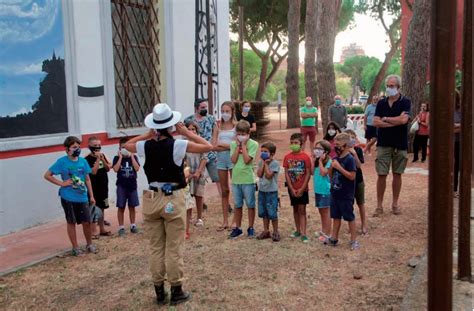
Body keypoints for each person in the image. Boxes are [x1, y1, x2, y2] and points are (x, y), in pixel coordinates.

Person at [124, 103, 212, 305]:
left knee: (156, 247)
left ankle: (159, 291)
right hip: (173, 197)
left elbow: (126, 145)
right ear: (172, 125)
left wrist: (147, 135)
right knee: (174, 246)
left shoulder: (144, 146)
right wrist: (185, 132)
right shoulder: (178, 144)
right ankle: (176, 289)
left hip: (152, 198)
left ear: (154, 125)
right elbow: (207, 146)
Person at [44, 136, 97, 256]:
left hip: (82, 196)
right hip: (68, 197)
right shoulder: (62, 162)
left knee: (86, 222)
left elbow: (87, 179)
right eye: (74, 147)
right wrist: (62, 183)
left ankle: (89, 244)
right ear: (67, 149)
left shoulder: (83, 161)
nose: (77, 149)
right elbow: (47, 175)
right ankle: (75, 247)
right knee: (71, 222)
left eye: (78, 147)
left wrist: (91, 195)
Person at [372, 74, 411, 216]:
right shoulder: (381, 103)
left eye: (392, 86)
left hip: (400, 144)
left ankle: (395, 204)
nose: (389, 88)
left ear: (398, 87)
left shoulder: (406, 101)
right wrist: (394, 122)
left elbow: (404, 120)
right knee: (381, 174)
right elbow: (375, 122)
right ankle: (379, 206)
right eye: (387, 86)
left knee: (397, 174)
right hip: (383, 143)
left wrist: (386, 119)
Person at [327, 133, 359, 250]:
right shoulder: (335, 159)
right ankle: (334, 238)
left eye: (338, 145)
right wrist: (331, 167)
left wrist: (339, 167)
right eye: (334, 144)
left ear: (345, 145)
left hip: (346, 194)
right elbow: (331, 176)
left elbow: (352, 176)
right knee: (336, 216)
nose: (335, 147)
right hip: (335, 193)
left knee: (349, 217)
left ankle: (354, 240)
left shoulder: (349, 159)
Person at [228, 120, 259, 239]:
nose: (240, 136)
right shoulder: (233, 144)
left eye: (243, 134)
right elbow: (234, 160)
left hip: (248, 179)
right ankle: (238, 228)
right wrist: (237, 147)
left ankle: (251, 227)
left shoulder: (253, 144)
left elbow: (247, 160)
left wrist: (244, 146)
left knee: (250, 204)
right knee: (237, 205)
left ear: (248, 134)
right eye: (238, 134)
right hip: (236, 179)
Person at [184, 98, 220, 196]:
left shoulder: (211, 118)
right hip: (196, 154)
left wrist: (213, 143)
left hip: (210, 154)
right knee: (197, 178)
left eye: (206, 107)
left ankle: (224, 200)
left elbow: (216, 130)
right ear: (196, 108)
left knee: (217, 178)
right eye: (202, 107)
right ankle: (201, 201)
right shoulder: (188, 120)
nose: (205, 109)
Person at [283, 133, 312, 243]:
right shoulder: (287, 157)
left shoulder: (305, 157)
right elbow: (286, 173)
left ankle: (304, 233)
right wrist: (291, 188)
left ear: (301, 144)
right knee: (295, 209)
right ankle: (298, 230)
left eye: (296, 143)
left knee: (302, 210)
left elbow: (308, 173)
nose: (293, 145)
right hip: (292, 189)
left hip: (302, 189)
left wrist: (302, 188)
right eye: (291, 143)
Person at [213, 102, 237, 231]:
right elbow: (214, 145)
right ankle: (225, 220)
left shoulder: (236, 126)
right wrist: (227, 145)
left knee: (235, 188)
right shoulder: (217, 126)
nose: (225, 113)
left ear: (232, 112)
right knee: (224, 190)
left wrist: (224, 145)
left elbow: (237, 145)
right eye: (223, 111)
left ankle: (234, 220)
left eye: (227, 111)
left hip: (233, 159)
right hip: (221, 160)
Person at [112, 137, 140, 237]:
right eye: (122, 147)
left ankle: (133, 225)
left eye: (126, 147)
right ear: (119, 147)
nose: (125, 149)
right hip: (121, 186)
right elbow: (115, 169)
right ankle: (121, 227)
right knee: (121, 206)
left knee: (132, 206)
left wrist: (132, 155)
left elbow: (137, 168)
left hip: (132, 186)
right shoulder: (116, 158)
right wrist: (120, 157)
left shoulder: (134, 157)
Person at [85, 137, 112, 238]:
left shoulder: (102, 155)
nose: (97, 147)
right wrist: (97, 159)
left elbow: (108, 168)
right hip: (93, 187)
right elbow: (93, 172)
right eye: (95, 145)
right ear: (89, 146)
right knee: (93, 208)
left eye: (98, 145)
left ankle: (102, 228)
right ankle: (93, 230)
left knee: (102, 208)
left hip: (103, 186)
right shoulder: (86, 159)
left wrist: (102, 159)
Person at [184, 120, 207, 229]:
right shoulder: (183, 143)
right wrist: (186, 172)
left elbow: (204, 158)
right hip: (187, 174)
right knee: (188, 196)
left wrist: (198, 171)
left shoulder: (201, 142)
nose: (191, 131)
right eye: (188, 129)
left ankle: (199, 217)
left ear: (197, 130)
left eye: (193, 129)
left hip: (199, 173)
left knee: (199, 195)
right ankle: (188, 217)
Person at [256, 142, 281, 242]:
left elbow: (269, 175)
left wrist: (266, 163)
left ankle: (275, 231)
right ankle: (266, 230)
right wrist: (262, 163)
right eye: (262, 151)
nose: (263, 153)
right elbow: (259, 174)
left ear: (272, 154)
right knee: (264, 212)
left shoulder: (275, 163)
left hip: (271, 192)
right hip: (262, 191)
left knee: (272, 212)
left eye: (265, 152)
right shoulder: (260, 162)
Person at [345, 129, 367, 235]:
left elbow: (358, 165)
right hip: (348, 182)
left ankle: (364, 225)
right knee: (350, 204)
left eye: (352, 137)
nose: (351, 140)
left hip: (358, 181)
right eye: (348, 138)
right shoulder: (343, 151)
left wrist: (354, 154)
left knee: (361, 203)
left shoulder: (358, 150)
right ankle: (351, 225)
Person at [311, 140, 332, 242]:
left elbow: (324, 173)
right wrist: (313, 160)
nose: (317, 150)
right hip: (318, 189)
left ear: (326, 151)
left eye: (320, 149)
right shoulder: (316, 161)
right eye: (316, 148)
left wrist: (319, 162)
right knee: (321, 211)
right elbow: (311, 172)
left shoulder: (328, 161)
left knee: (326, 212)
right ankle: (323, 230)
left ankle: (327, 233)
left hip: (325, 190)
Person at [454, 91, 461, 197]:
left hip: (457, 142)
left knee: (456, 166)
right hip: (445, 143)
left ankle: (454, 189)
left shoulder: (460, 110)